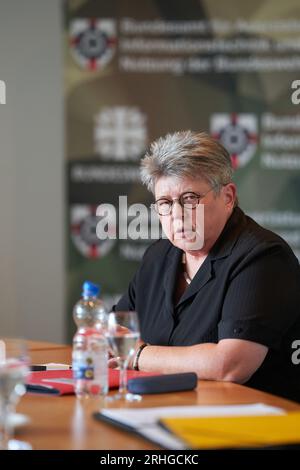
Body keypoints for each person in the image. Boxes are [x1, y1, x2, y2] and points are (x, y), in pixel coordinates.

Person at [113, 130, 300, 402]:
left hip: (251, 429)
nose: (176, 214)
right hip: (167, 411)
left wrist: (138, 354)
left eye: (189, 199)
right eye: (165, 203)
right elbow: (113, 332)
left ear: (228, 197)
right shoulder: (159, 255)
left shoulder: (262, 256)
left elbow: (229, 365)